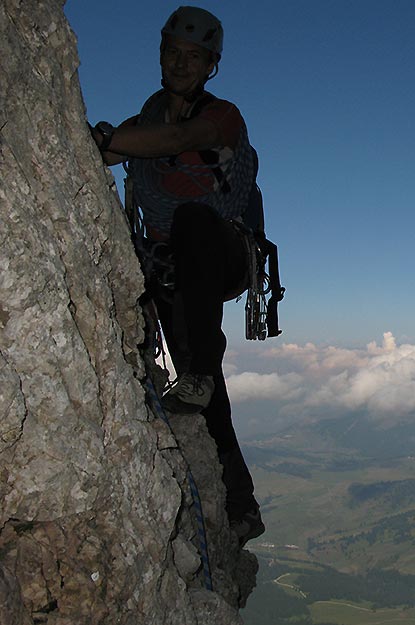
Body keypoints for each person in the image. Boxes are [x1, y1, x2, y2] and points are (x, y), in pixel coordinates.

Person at [91, 5, 264, 545]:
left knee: (190, 219)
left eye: (194, 57)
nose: (181, 64)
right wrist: (103, 141)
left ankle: (198, 368)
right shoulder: (143, 122)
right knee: (202, 384)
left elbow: (170, 144)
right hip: (172, 268)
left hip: (223, 251)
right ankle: (241, 504)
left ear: (210, 65)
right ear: (161, 55)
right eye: (173, 53)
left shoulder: (223, 116)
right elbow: (124, 148)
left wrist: (109, 140)